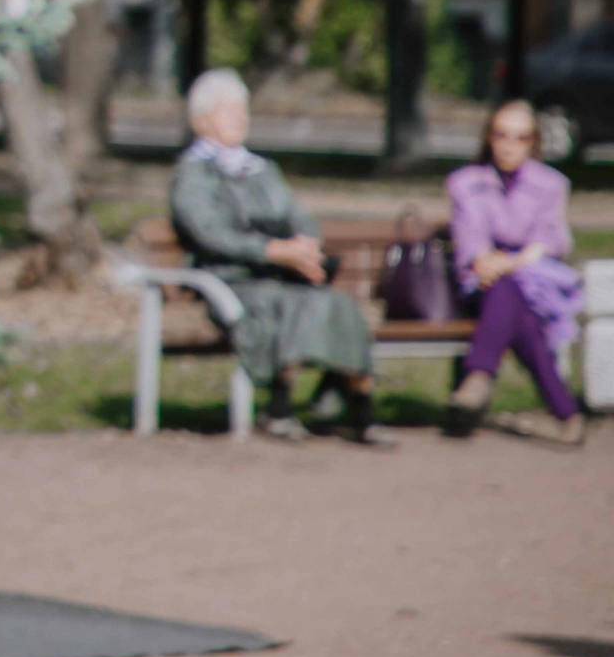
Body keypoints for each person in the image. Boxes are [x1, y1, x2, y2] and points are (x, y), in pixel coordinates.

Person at [170, 67, 391, 446]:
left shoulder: (260, 169)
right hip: (231, 281)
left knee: (338, 303)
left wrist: (306, 248)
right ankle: (280, 406)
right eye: (229, 110)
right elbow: (210, 234)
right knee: (290, 303)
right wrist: (272, 250)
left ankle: (361, 409)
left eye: (244, 110)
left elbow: (297, 216)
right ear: (201, 120)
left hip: (282, 274)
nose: (241, 118)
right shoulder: (193, 175)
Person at [444, 99, 585, 446]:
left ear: (533, 143)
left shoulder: (551, 185)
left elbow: (551, 240)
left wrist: (509, 262)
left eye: (520, 137)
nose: (509, 144)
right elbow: (470, 240)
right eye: (501, 134)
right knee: (507, 295)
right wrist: (488, 262)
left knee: (514, 301)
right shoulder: (466, 183)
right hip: (480, 282)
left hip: (533, 283)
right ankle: (568, 413)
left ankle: (479, 375)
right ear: (488, 138)